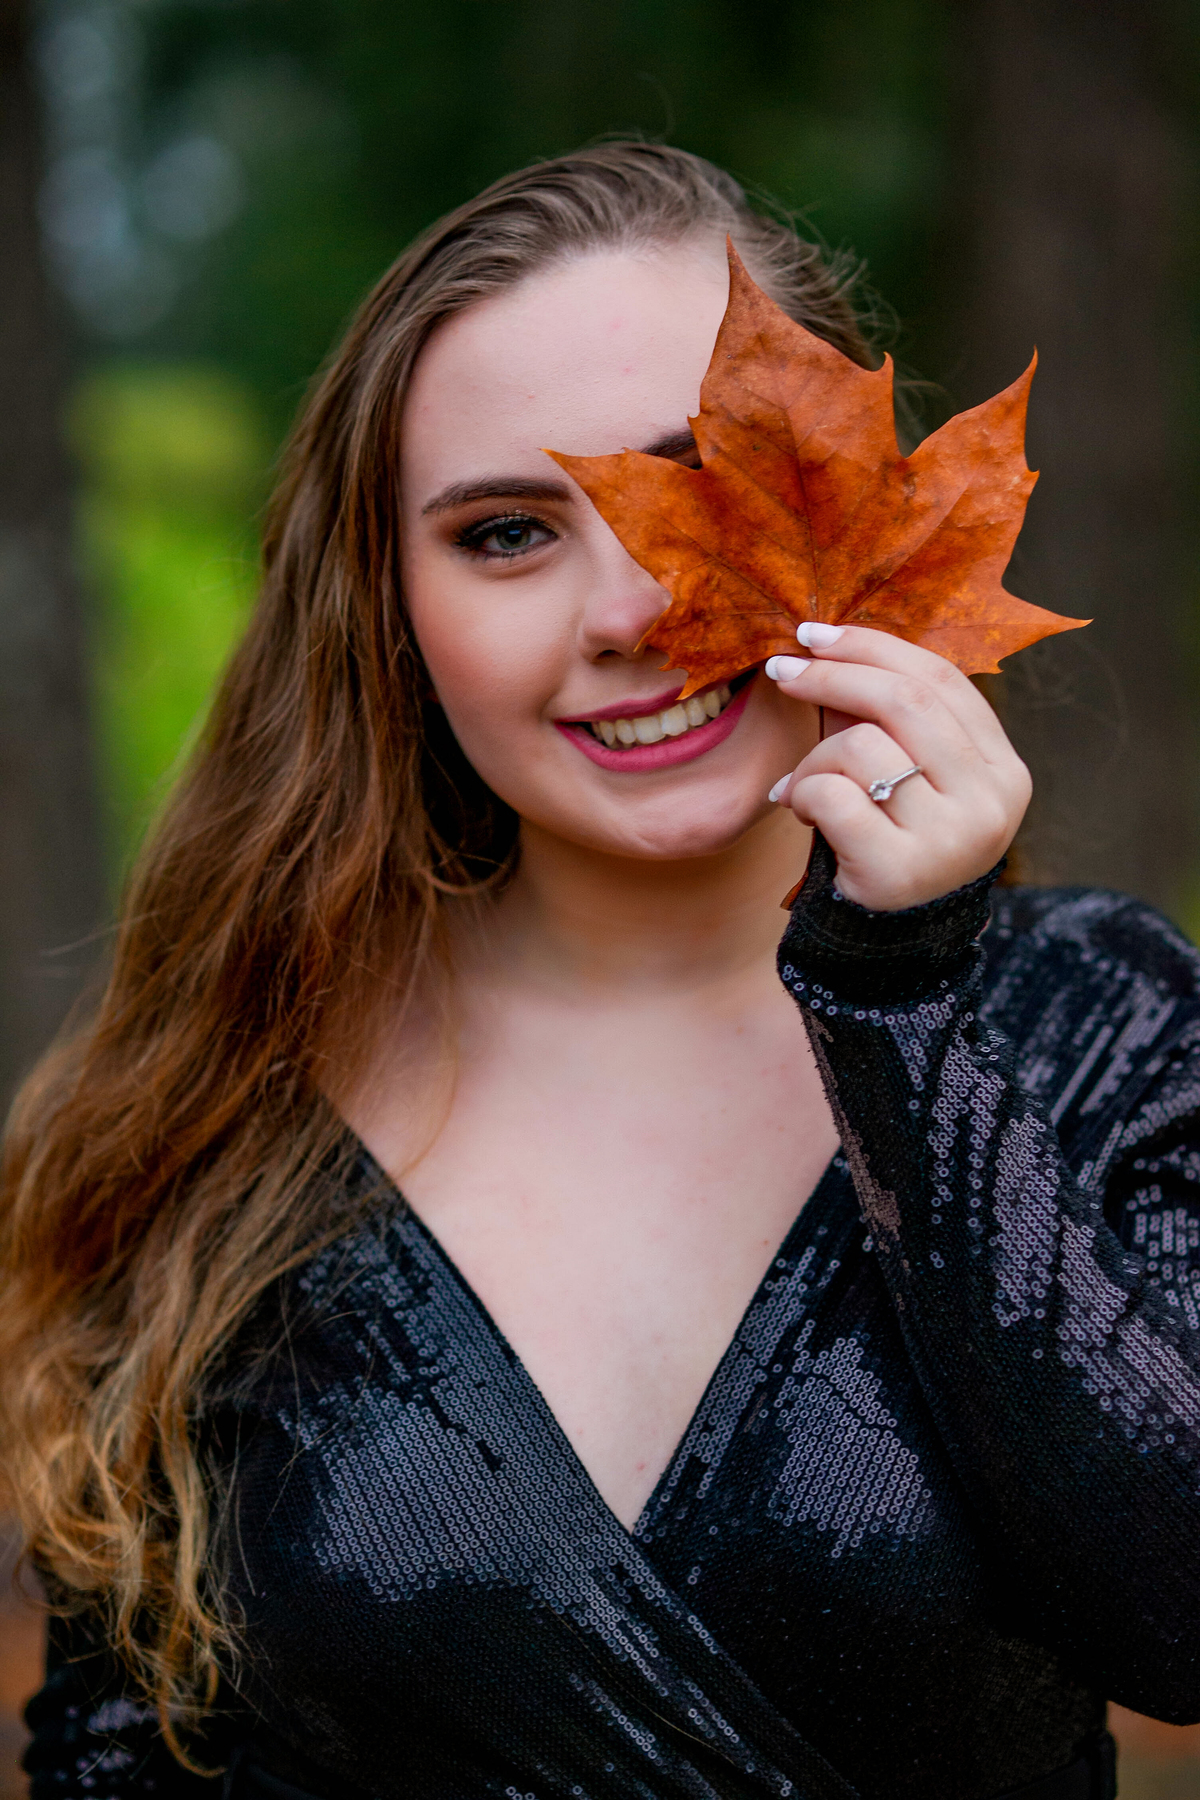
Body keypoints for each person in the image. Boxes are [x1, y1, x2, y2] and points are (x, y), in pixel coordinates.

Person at [4, 140, 1200, 1800]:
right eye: (507, 532)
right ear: (386, 606)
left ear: (862, 516)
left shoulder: (1102, 1025)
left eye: (703, 487)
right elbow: (118, 1742)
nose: (633, 608)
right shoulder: (227, 1093)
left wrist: (904, 1006)